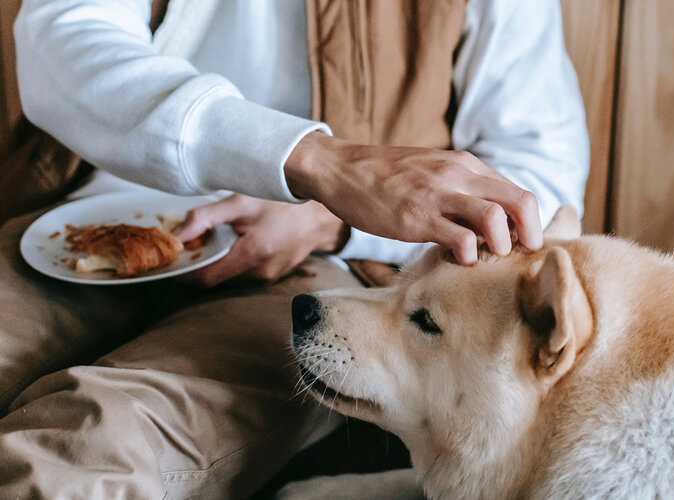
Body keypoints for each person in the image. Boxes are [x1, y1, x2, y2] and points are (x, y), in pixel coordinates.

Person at [0, 0, 588, 497]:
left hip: (336, 264)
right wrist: (310, 163)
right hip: (80, 225)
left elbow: (539, 179)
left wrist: (331, 221)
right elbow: (64, 35)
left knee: (92, 444)